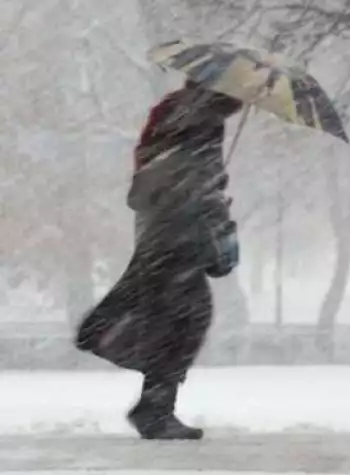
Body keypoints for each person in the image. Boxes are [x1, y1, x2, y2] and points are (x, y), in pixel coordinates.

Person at [76, 80, 243, 440]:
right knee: (185, 322)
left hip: (160, 238)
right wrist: (214, 203)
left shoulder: (175, 118)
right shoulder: (202, 122)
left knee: (173, 322)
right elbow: (196, 185)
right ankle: (154, 409)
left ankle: (154, 406)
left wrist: (209, 191)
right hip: (177, 240)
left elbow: (152, 185)